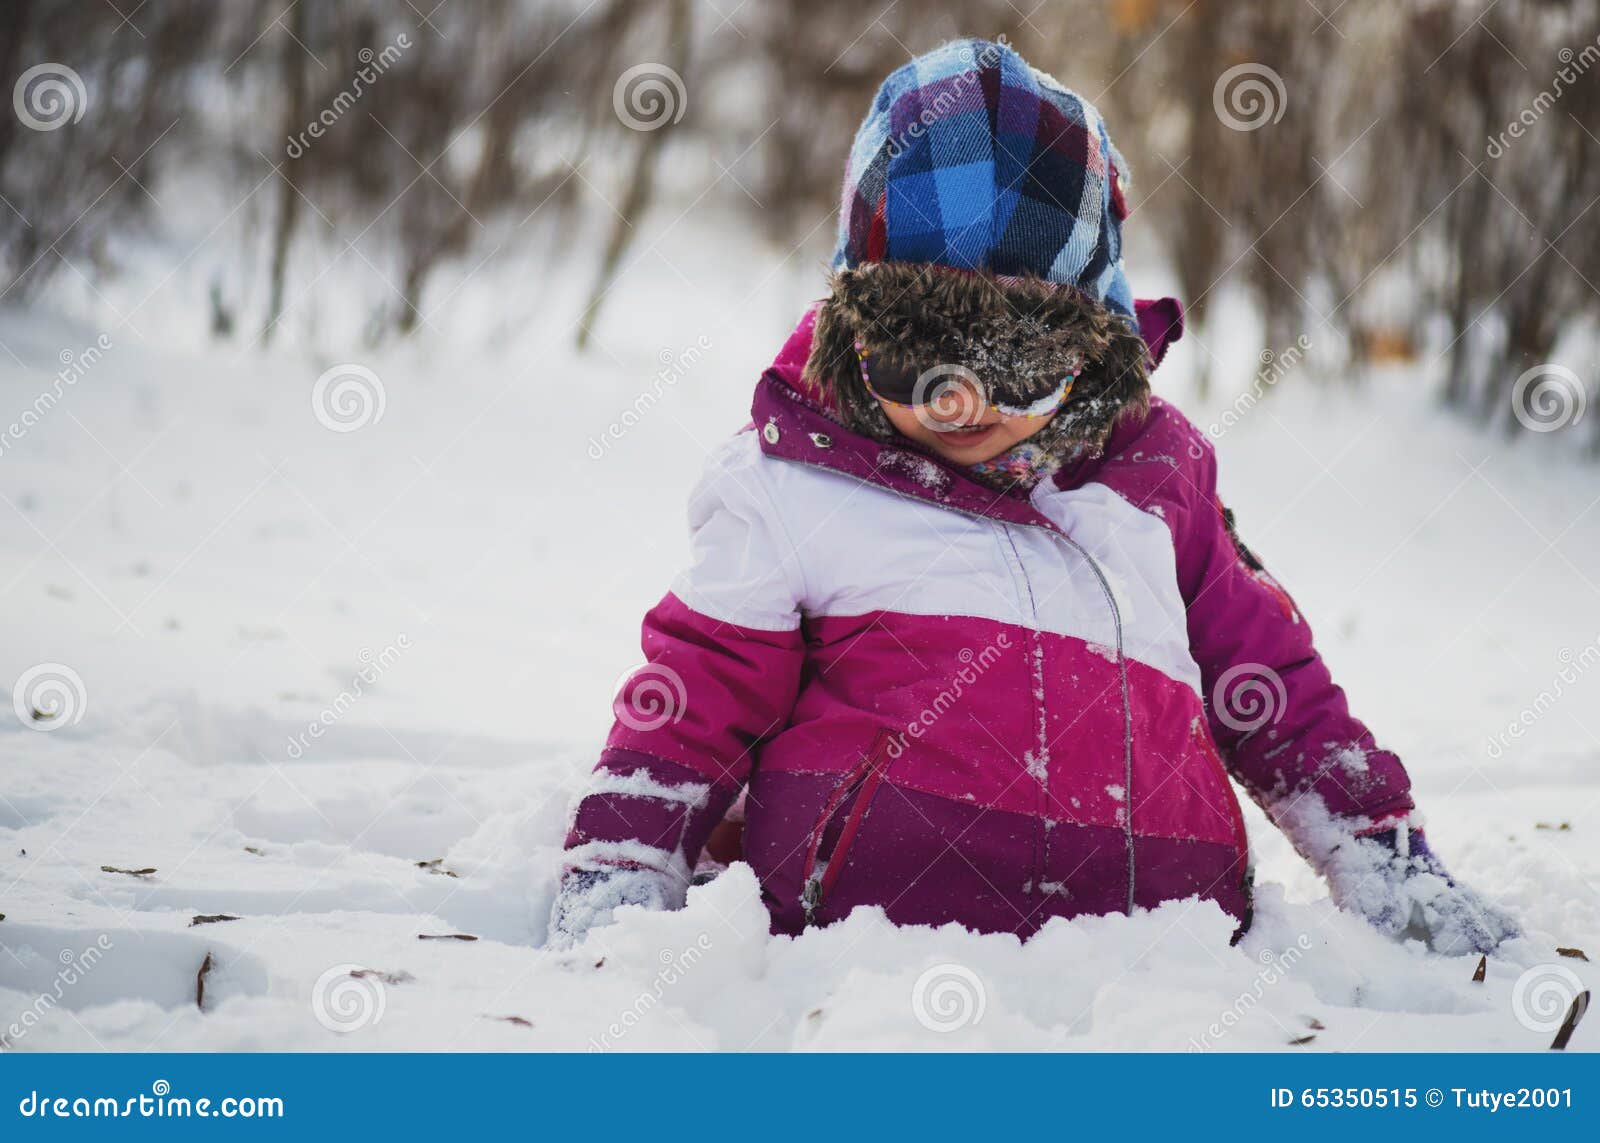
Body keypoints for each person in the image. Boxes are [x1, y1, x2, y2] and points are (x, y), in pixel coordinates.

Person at [548, 38, 1518, 956]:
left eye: (1015, 357)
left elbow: (1273, 689)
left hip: (1172, 980)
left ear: (1090, 340)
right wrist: (621, 866)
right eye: (918, 347)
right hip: (861, 974)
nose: (960, 399)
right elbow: (690, 707)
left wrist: (1382, 855)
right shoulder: (794, 479)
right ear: (852, 322)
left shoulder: (1158, 477)